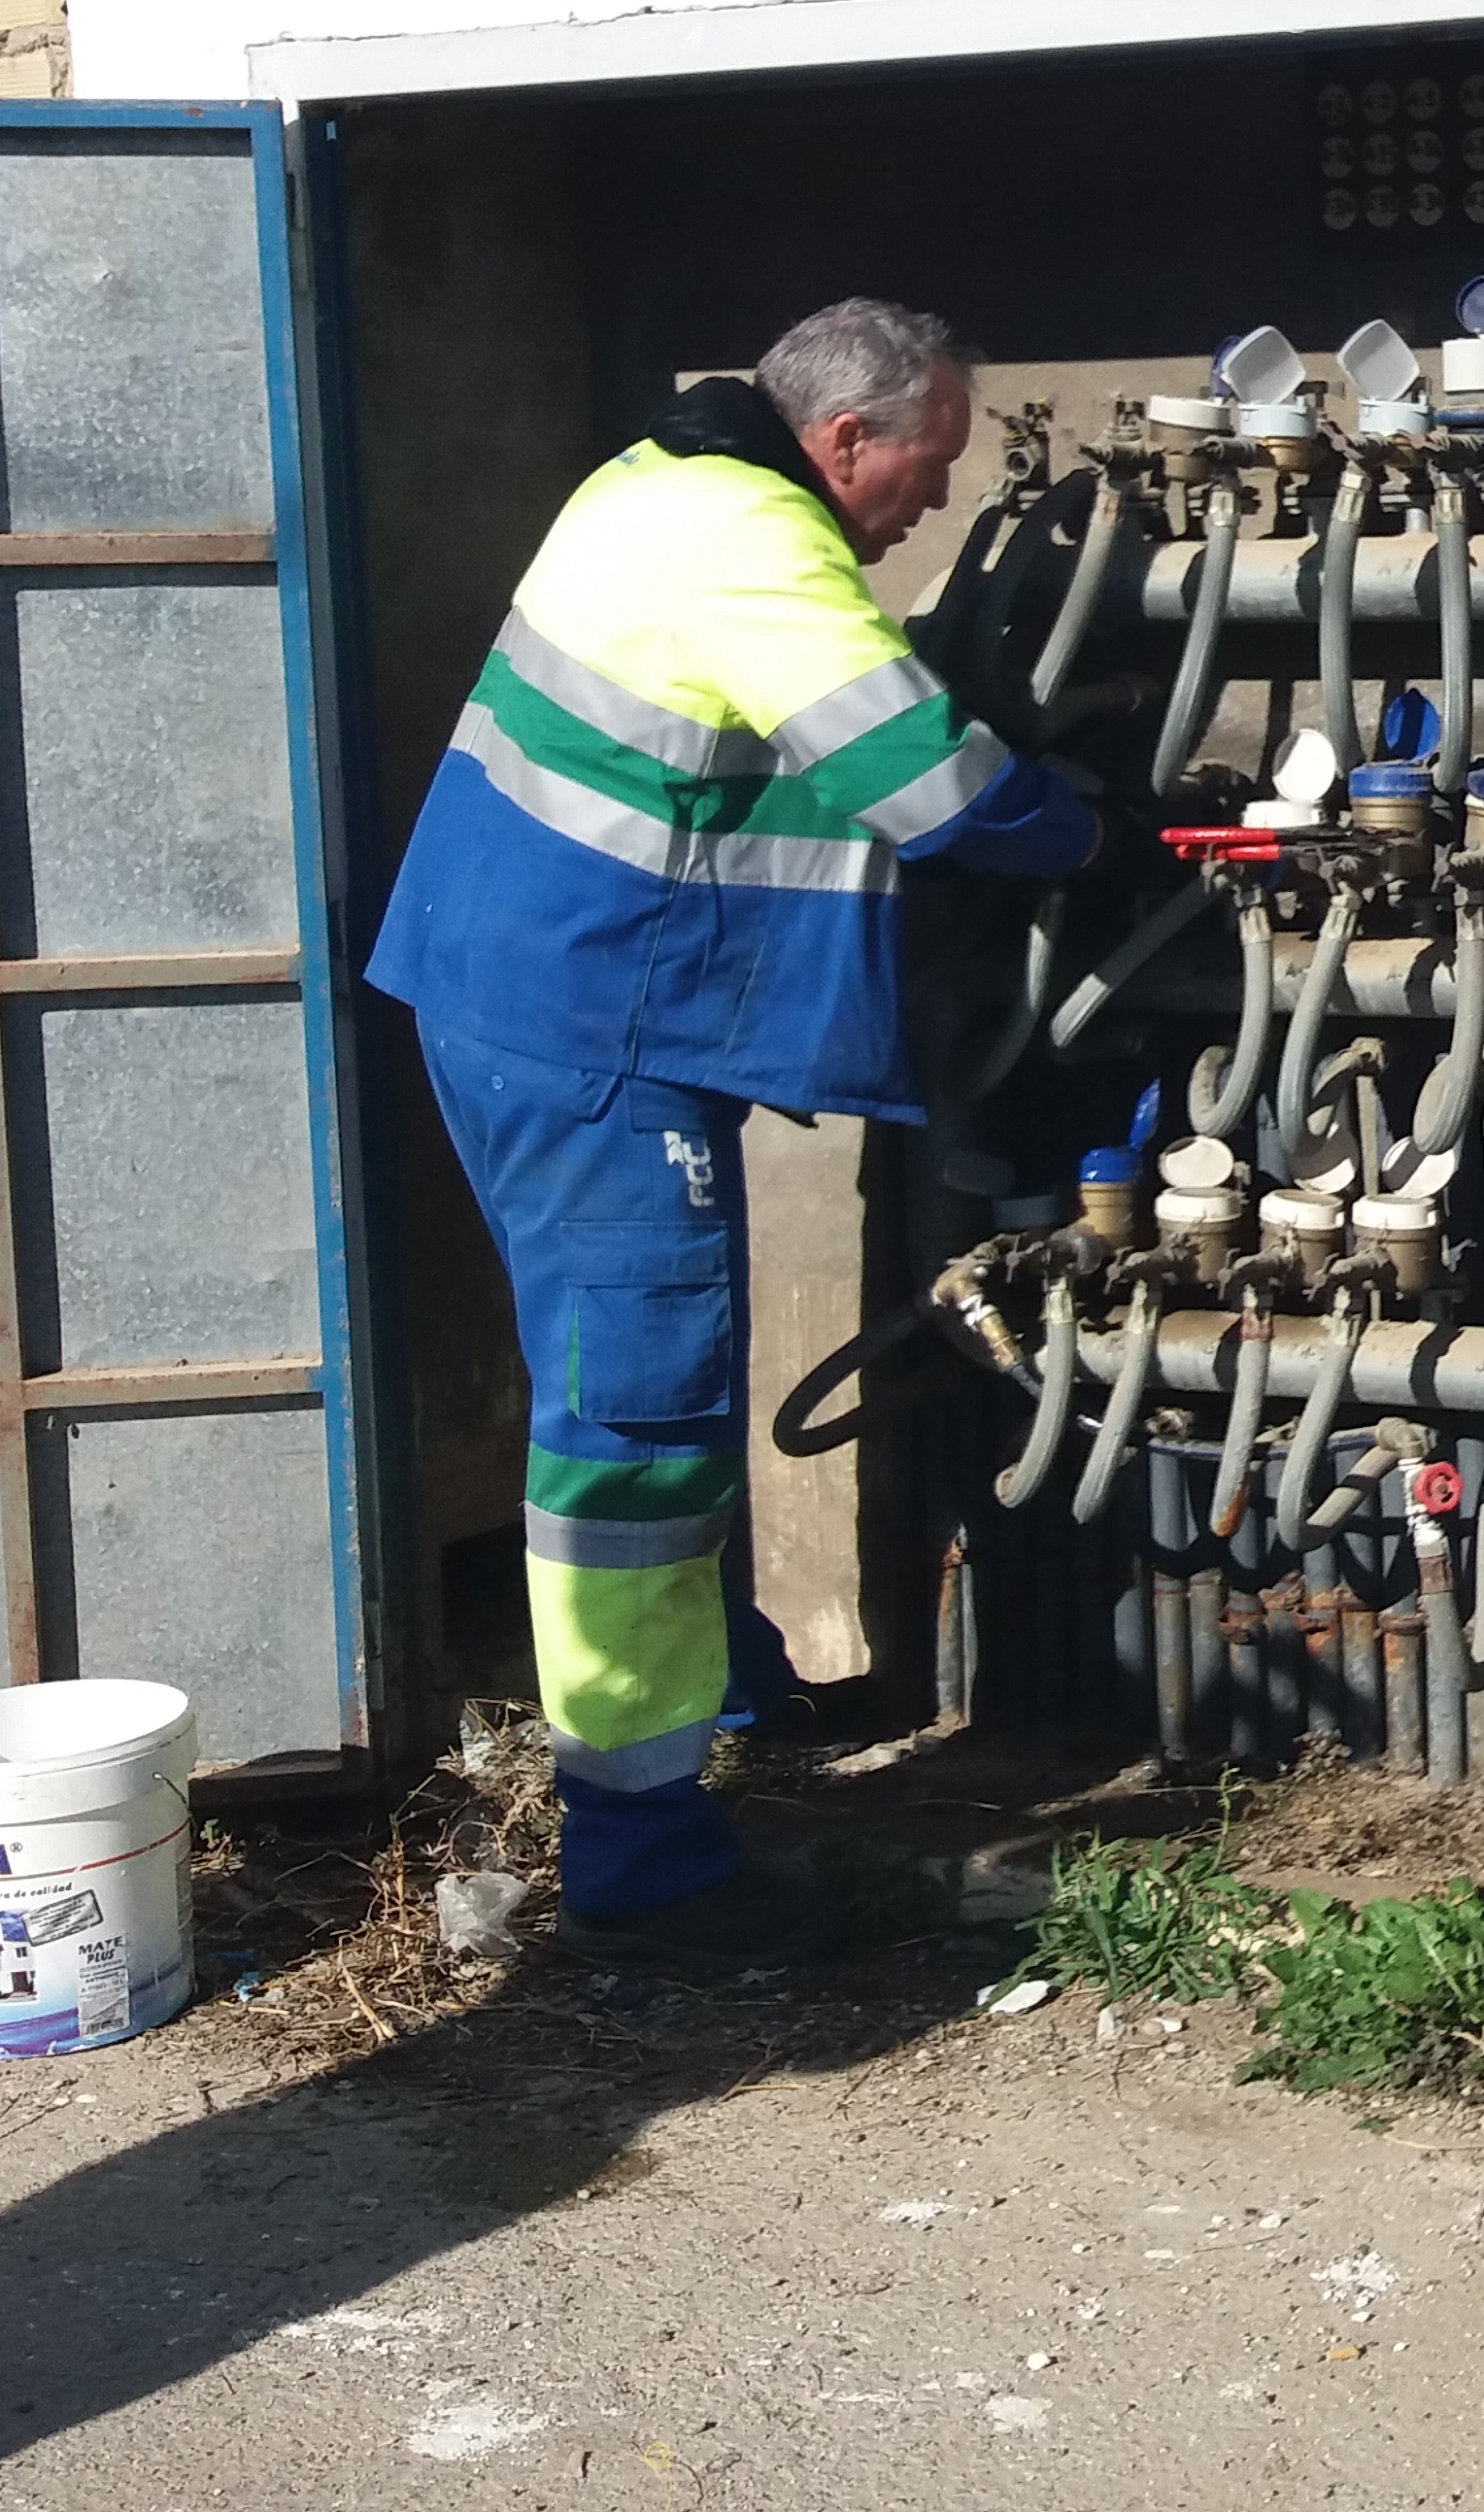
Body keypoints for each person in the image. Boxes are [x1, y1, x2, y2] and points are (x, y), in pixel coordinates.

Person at [368, 298, 1095, 1972]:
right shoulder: (754, 540)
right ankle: (643, 1852)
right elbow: (925, 781)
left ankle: (729, 1691)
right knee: (636, 1421)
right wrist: (1081, 833)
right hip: (595, 1026)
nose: (936, 498)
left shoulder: (656, 478)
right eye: (928, 463)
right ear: (845, 439)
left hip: (523, 990)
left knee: (643, 1384)